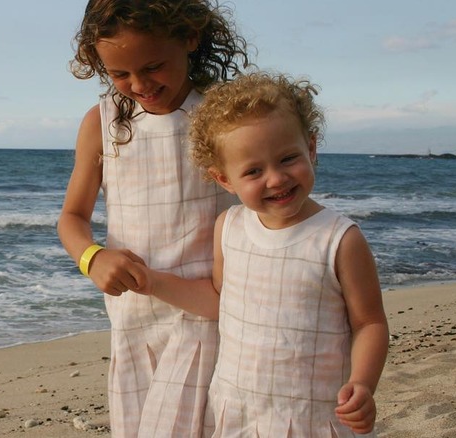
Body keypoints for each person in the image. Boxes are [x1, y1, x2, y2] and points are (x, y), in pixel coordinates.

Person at [134, 71, 390, 436]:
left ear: (311, 148)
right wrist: (152, 282)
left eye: (288, 159)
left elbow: (369, 323)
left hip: (311, 416)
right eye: (253, 170)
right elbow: (219, 299)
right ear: (224, 179)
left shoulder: (338, 239)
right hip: (237, 411)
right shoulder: (229, 227)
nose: (275, 178)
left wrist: (363, 383)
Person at [57, 0, 249, 436]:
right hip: (132, 322)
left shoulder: (221, 117)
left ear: (190, 37)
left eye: (153, 66)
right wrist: (91, 258)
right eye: (120, 74)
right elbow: (71, 216)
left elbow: (263, 196)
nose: (139, 83)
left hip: (207, 314)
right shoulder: (102, 122)